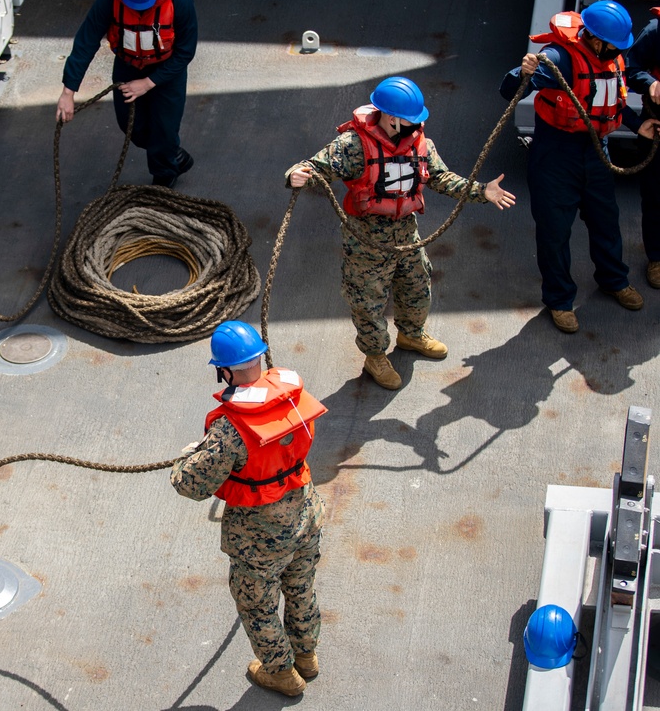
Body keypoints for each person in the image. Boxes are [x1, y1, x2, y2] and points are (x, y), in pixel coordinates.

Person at [285, 77, 516, 390]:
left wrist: (480, 191)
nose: (416, 124)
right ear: (392, 118)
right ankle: (375, 355)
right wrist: (296, 175)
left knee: (417, 286)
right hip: (366, 241)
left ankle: (411, 334)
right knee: (367, 301)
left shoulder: (420, 144)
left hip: (407, 234)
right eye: (411, 119)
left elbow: (441, 178)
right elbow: (314, 167)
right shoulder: (353, 145)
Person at [171, 321, 327, 698]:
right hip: (306, 515)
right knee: (300, 586)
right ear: (261, 356)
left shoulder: (230, 429)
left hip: (260, 537)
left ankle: (281, 673)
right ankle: (306, 655)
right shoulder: (291, 397)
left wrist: (189, 459)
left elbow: (190, 485)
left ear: (223, 370)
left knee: (257, 603)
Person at [501, 0, 659, 334]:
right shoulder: (559, 59)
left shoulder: (612, 58)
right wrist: (522, 71)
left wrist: (636, 124)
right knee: (555, 231)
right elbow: (508, 90)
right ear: (596, 40)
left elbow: (611, 101)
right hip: (556, 156)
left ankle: (613, 279)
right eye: (615, 44)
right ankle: (559, 300)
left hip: (596, 150)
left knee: (606, 220)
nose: (619, 49)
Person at [56, 0, 198, 188]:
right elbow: (87, 39)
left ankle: (163, 180)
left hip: (167, 70)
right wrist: (68, 92)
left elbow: (185, 52)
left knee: (164, 129)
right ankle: (172, 153)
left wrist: (149, 83)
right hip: (128, 65)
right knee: (132, 127)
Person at [622, 6, 660, 289]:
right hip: (659, 125)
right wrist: (651, 85)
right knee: (656, 196)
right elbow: (629, 67)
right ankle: (657, 258)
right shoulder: (656, 31)